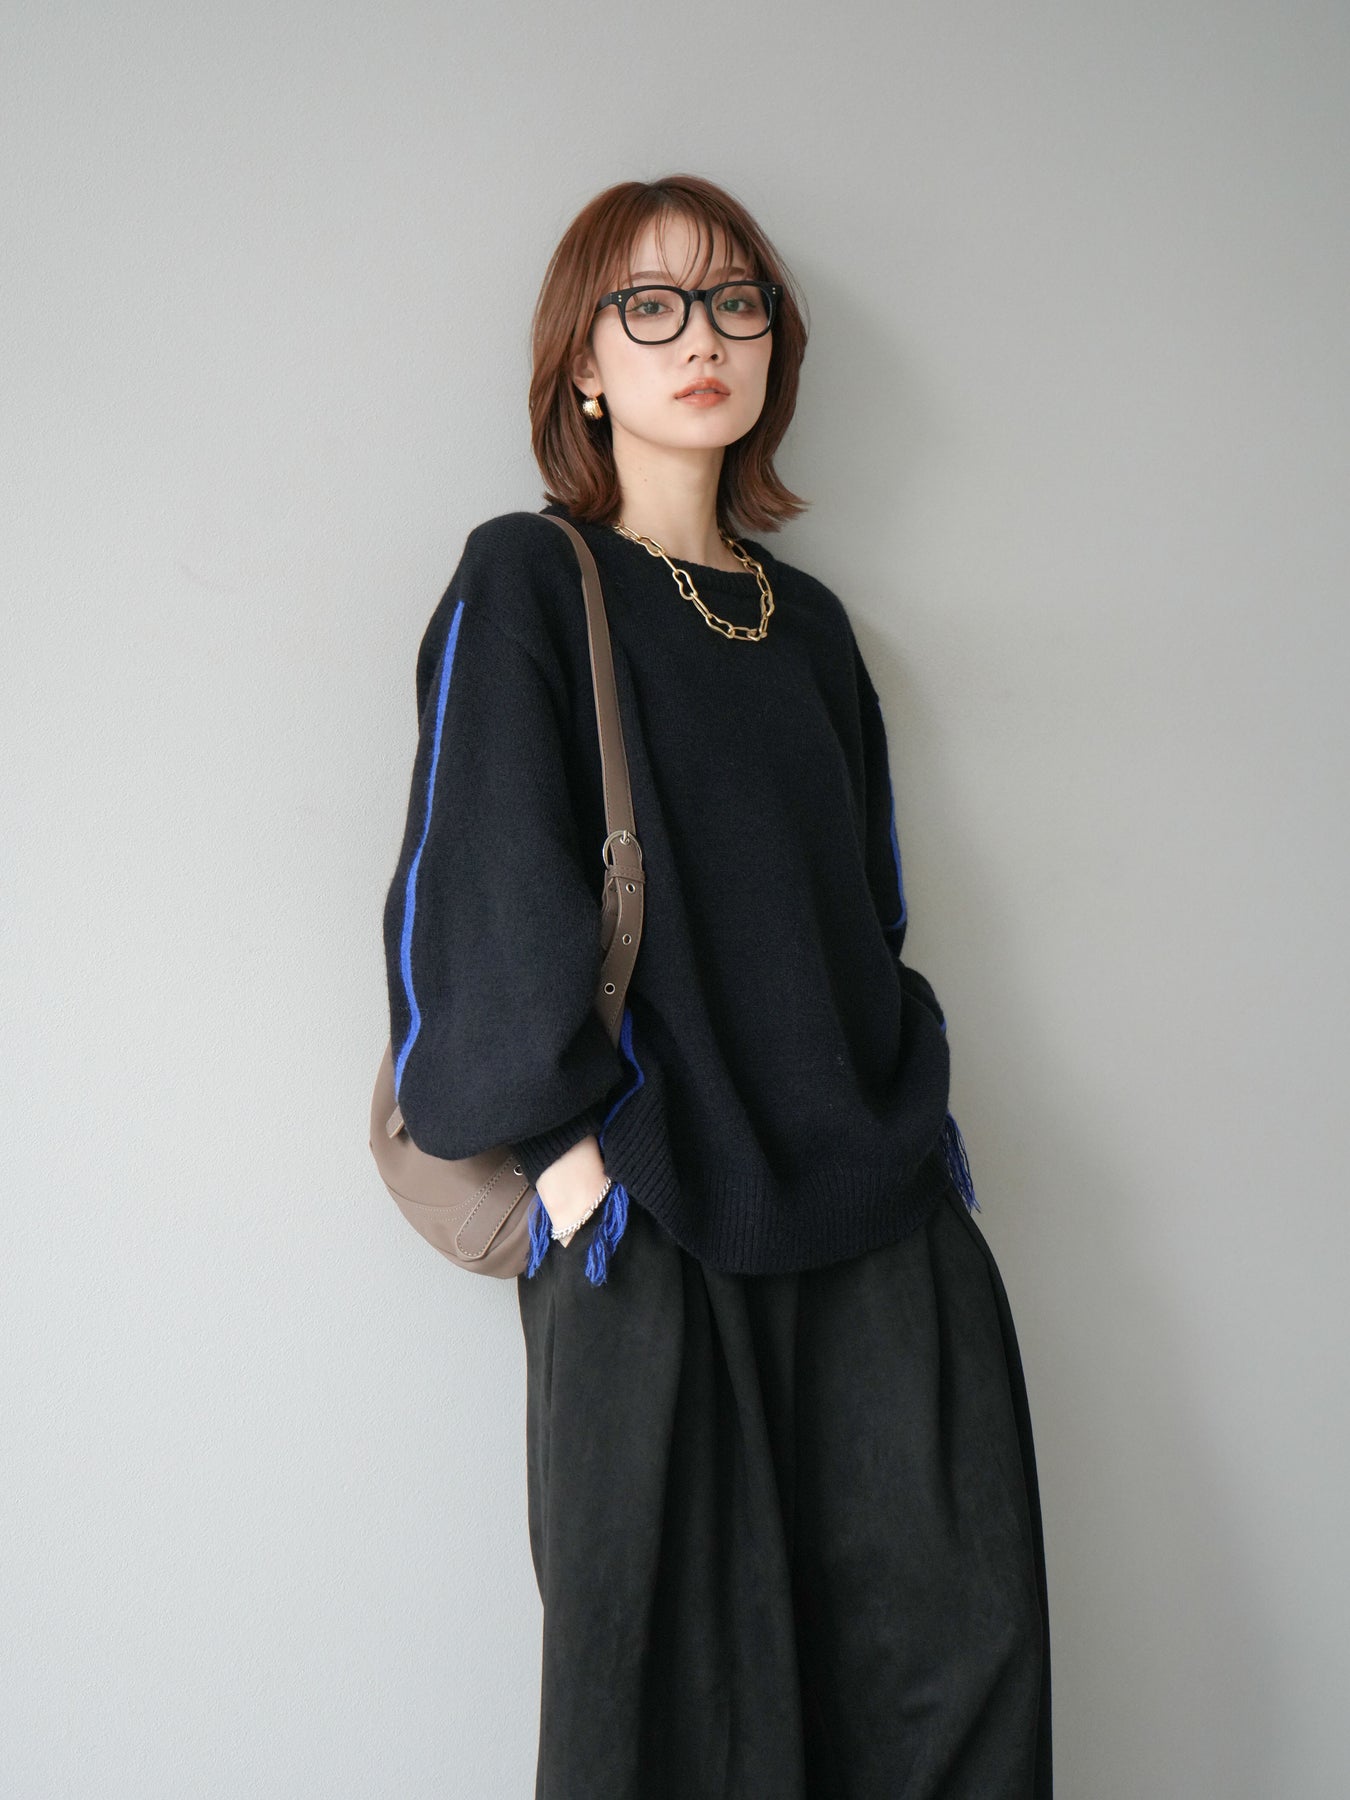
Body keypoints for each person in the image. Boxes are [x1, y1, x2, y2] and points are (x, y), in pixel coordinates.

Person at [381, 173, 1052, 1799]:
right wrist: (569, 1162)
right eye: (651, 305)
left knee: (951, 1687)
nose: (702, 338)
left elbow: (865, 915)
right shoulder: (530, 579)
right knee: (685, 1723)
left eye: (734, 302)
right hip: (655, 1223)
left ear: (772, 348)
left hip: (879, 1224)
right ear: (583, 365)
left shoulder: (808, 625)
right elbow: (468, 888)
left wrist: (914, 1129)